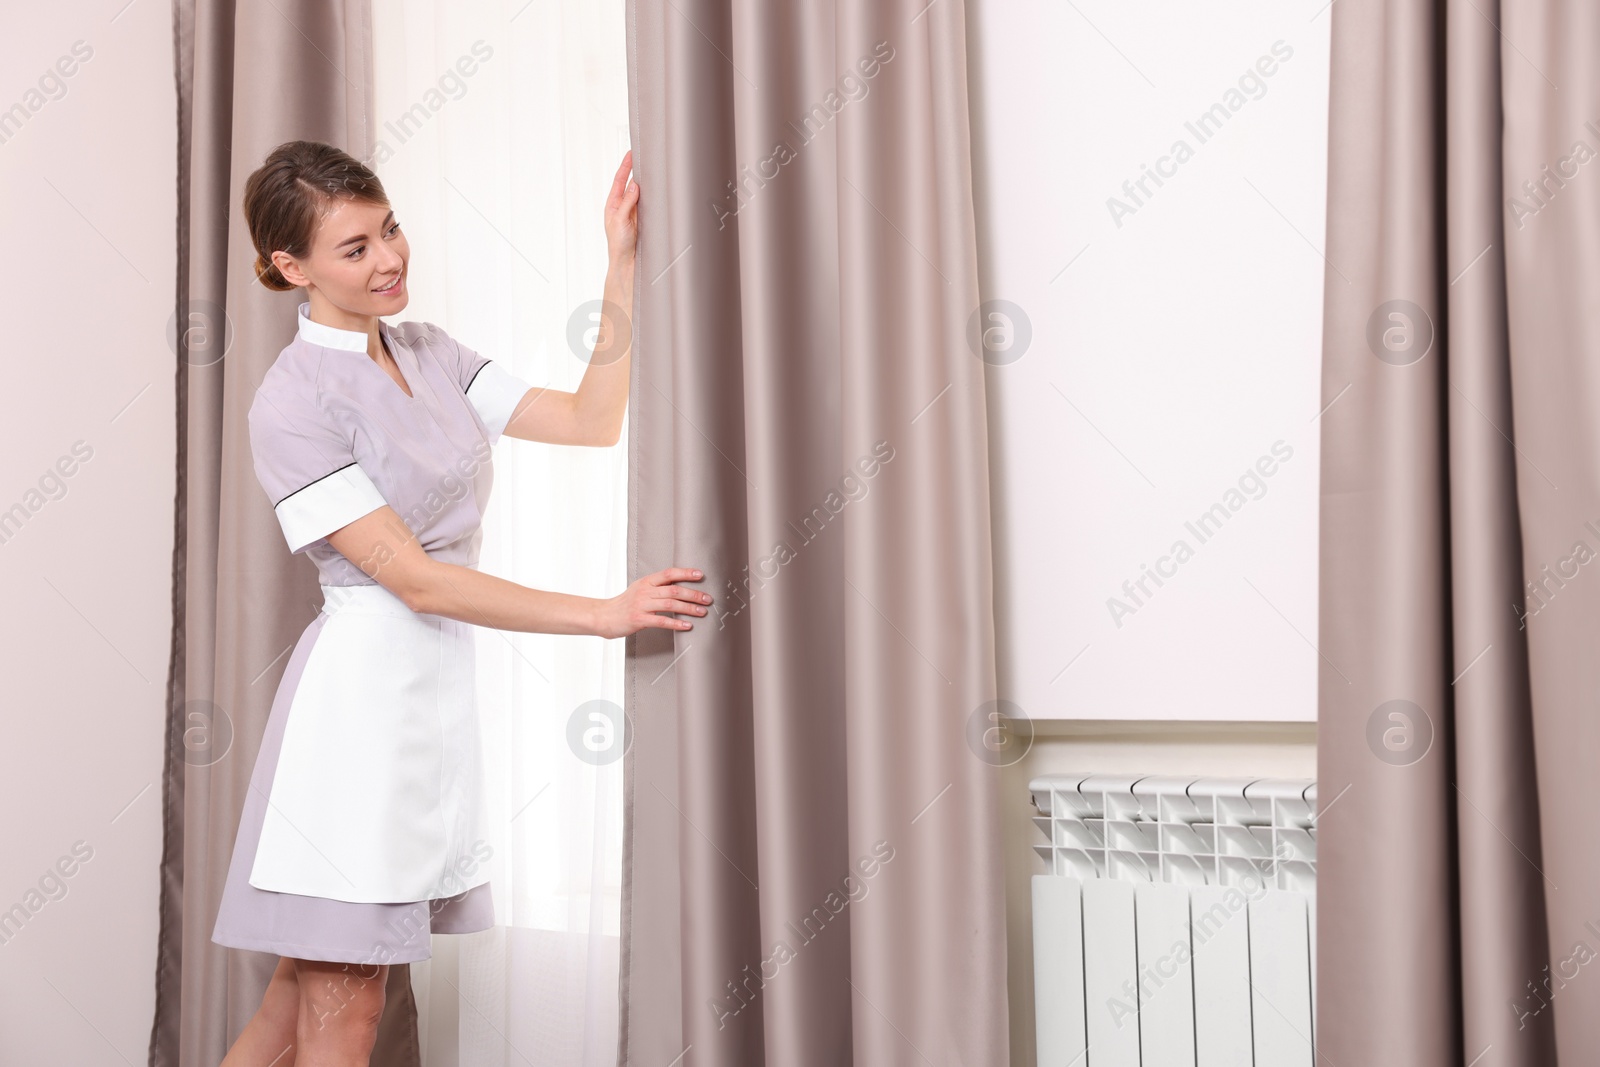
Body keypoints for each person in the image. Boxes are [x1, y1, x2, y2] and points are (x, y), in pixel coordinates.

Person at [211, 139, 706, 1067]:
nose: (390, 257)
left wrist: (621, 264)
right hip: (356, 720)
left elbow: (589, 421)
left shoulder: (432, 353)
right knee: (344, 1014)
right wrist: (604, 612)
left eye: (388, 228)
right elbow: (415, 575)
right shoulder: (291, 402)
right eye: (354, 248)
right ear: (292, 267)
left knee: (294, 1008)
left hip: (427, 705)